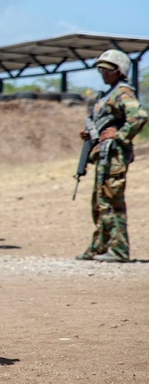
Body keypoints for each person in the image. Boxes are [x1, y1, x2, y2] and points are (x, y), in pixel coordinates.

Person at [76, 49, 147, 263]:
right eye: (100, 70)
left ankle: (119, 250)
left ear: (120, 71)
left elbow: (139, 117)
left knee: (112, 201)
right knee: (100, 202)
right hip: (105, 155)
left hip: (115, 157)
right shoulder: (108, 93)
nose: (103, 74)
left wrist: (120, 135)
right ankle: (99, 246)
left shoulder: (123, 92)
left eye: (107, 70)